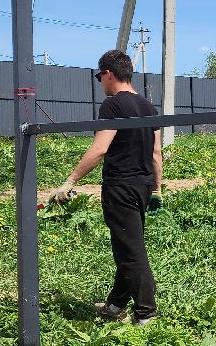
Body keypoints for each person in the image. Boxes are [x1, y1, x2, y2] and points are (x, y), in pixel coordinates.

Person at [48, 49, 162, 324]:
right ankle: (115, 305)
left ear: (109, 74)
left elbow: (100, 149)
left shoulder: (113, 105)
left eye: (100, 77)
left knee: (130, 251)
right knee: (127, 244)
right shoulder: (148, 107)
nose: (100, 82)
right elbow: (156, 153)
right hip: (143, 185)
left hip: (121, 186)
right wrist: (157, 189)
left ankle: (146, 313)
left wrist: (70, 181)